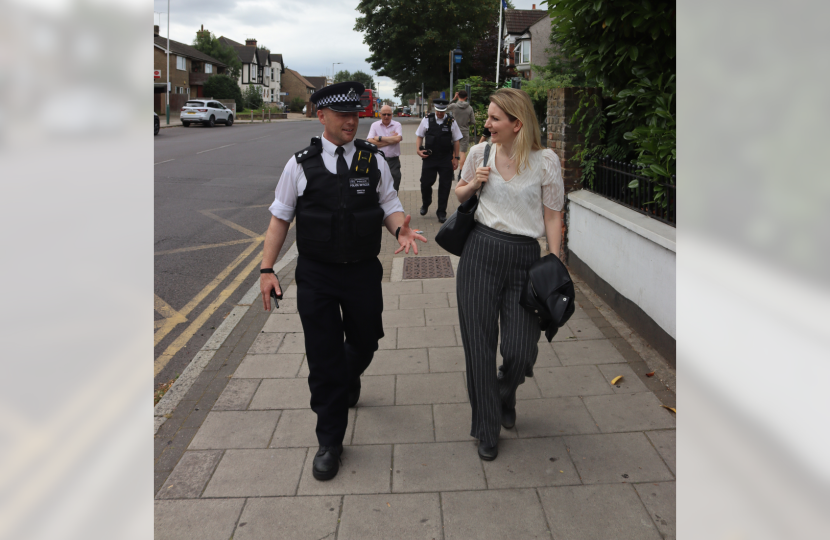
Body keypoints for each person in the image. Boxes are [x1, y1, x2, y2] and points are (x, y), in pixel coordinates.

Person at [259, 81, 427, 481]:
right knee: (324, 358)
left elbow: (388, 203)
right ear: (322, 117)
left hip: (362, 271)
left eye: (355, 115)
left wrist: (399, 230)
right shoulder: (299, 164)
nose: (351, 121)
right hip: (316, 274)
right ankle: (329, 440)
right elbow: (280, 218)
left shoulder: (373, 160)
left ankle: (349, 375)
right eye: (342, 115)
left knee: (367, 340)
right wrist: (267, 271)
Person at [454, 88, 564, 461]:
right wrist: (474, 183)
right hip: (480, 253)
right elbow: (459, 194)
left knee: (520, 350)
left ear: (517, 124)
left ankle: (505, 390)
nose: (486, 124)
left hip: (524, 259)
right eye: (487, 117)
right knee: (479, 348)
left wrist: (556, 260)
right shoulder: (478, 153)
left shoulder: (545, 161)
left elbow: (552, 215)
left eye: (495, 118)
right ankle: (486, 428)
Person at [415, 98, 463, 223]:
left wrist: (456, 158)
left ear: (445, 110)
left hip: (445, 159)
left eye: (442, 111)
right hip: (429, 158)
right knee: (425, 183)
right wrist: (418, 150)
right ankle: (426, 203)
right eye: (438, 110)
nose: (440, 113)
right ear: (434, 108)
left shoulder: (451, 121)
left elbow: (457, 140)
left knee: (445, 186)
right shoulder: (427, 119)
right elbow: (419, 136)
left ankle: (441, 212)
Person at [366, 105, 403, 192]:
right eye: (384, 114)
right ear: (380, 114)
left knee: (395, 184)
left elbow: (398, 139)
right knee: (378, 185)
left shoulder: (397, 125)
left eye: (389, 114)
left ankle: (393, 204)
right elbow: (370, 142)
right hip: (378, 160)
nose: (386, 116)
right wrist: (391, 139)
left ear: (392, 115)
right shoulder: (374, 125)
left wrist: (379, 138)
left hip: (393, 161)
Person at [447, 90, 476, 179]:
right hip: (464, 131)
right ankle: (461, 174)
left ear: (458, 96)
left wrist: (453, 99)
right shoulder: (470, 108)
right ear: (466, 97)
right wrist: (466, 125)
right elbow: (473, 121)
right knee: (462, 152)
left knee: (453, 151)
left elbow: (445, 107)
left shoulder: (454, 106)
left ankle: (451, 173)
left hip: (454, 131)